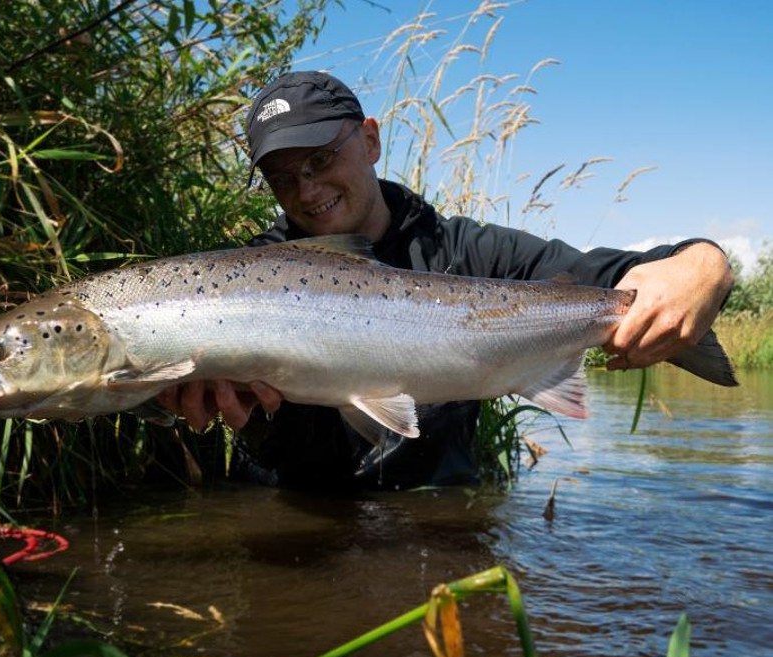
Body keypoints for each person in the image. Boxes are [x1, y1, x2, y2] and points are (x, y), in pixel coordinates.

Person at [158, 70, 733, 491]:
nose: (307, 190)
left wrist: (703, 266)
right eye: (284, 178)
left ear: (371, 141)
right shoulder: (244, 282)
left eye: (321, 160)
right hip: (296, 522)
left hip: (438, 519)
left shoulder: (468, 251)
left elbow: (621, 275)